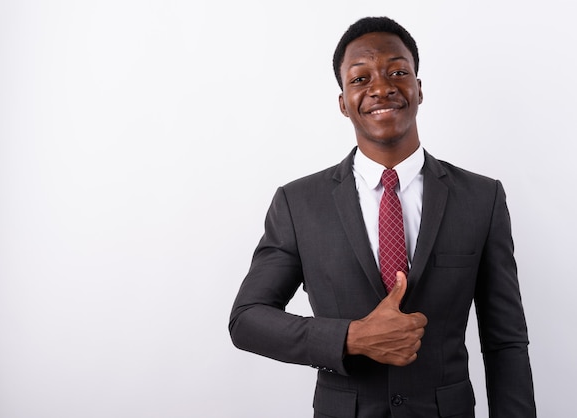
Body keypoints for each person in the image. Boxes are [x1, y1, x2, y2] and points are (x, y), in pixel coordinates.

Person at [229, 16, 535, 418]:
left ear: (418, 89)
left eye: (397, 71)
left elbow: (505, 340)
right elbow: (247, 320)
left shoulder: (482, 198)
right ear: (343, 102)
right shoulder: (298, 203)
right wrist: (350, 337)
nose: (381, 87)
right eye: (360, 79)